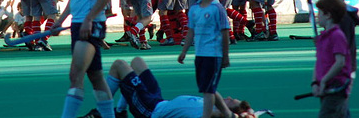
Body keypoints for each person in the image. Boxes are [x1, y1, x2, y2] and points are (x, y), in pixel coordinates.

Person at [104, 56, 251, 118]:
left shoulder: (207, 115)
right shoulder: (209, 104)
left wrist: (233, 116)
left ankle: (103, 113)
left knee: (119, 65)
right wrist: (248, 111)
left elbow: (220, 114)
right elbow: (212, 92)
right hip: (158, 100)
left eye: (232, 101)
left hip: (150, 110)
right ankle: (120, 112)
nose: (229, 98)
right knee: (137, 62)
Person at [178, 0, 233, 118]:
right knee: (208, 88)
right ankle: (228, 115)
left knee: (208, 90)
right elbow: (191, 31)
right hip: (200, 54)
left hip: (214, 55)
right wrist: (184, 51)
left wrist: (225, 56)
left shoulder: (217, 9)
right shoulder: (194, 9)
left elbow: (225, 33)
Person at [312, 0, 352, 118]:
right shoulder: (323, 37)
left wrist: (324, 80)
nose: (317, 16)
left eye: (319, 13)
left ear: (328, 15)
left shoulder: (337, 35)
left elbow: (340, 62)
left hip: (335, 85)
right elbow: (319, 62)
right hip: (325, 85)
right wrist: (315, 82)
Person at [319, 0, 359, 82]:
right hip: (334, 66)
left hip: (341, 70)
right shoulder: (337, 16)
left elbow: (341, 46)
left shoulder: (343, 18)